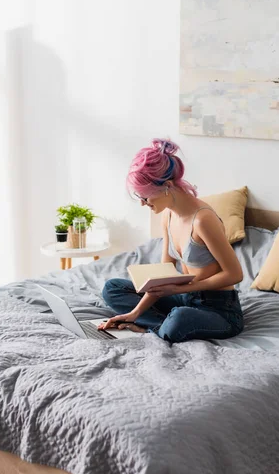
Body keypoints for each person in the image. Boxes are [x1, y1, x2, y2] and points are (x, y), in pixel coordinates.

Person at [99, 138, 244, 343]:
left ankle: (158, 325)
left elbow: (235, 274)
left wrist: (179, 289)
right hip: (183, 298)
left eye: (146, 197)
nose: (142, 203)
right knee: (113, 288)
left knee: (180, 318)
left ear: (167, 186)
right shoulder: (167, 216)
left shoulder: (203, 220)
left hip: (218, 309)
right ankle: (155, 325)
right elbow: (165, 273)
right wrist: (135, 313)